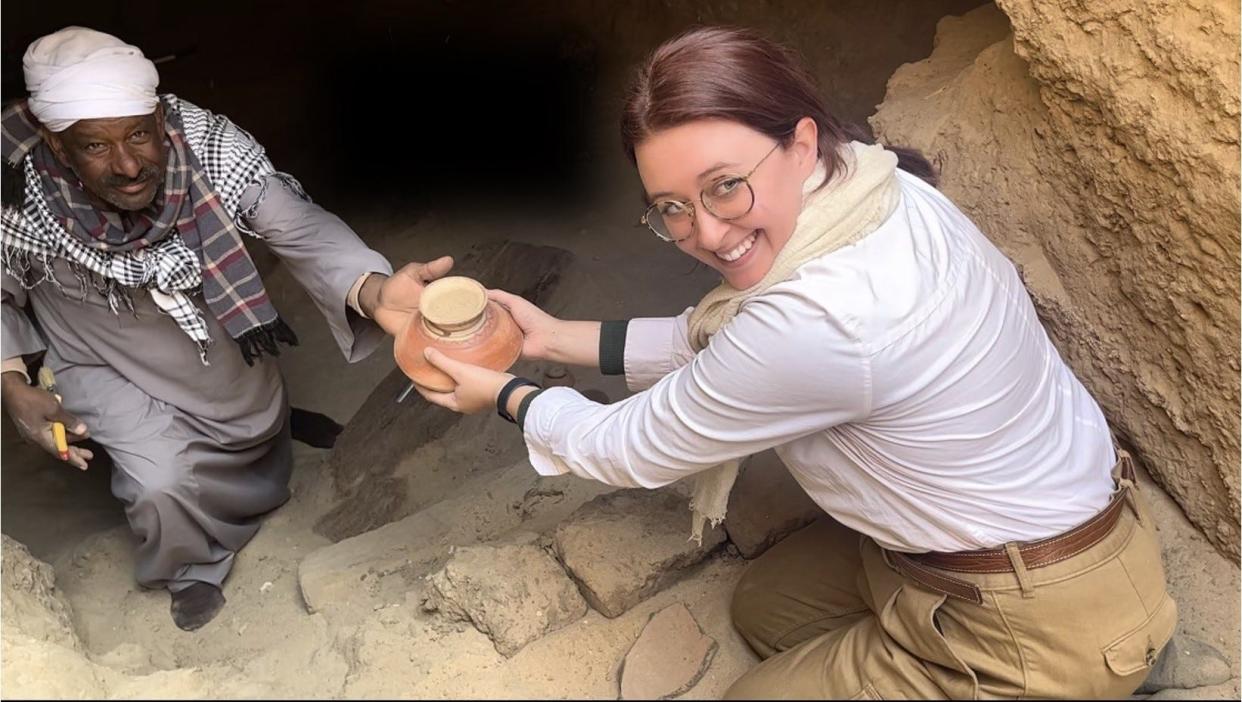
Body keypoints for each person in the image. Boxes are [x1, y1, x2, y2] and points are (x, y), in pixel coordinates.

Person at [415, 26, 1176, 699]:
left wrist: (507, 393)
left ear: (802, 142)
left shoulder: (823, 321)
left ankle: (1092, 676)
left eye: (724, 188)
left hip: (1035, 615)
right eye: (671, 207)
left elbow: (631, 445)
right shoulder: (876, 185)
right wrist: (549, 338)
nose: (705, 232)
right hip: (1016, 542)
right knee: (763, 609)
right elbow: (720, 341)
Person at [0, 27, 453, 631]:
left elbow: (297, 226)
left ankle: (280, 435)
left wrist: (372, 289)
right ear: (57, 147)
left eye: (139, 133)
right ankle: (189, 567)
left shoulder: (208, 144)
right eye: (95, 147)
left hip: (208, 337)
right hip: (96, 354)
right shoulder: (13, 187)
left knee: (254, 428)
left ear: (160, 117)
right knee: (159, 483)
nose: (129, 164)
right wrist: (11, 381)